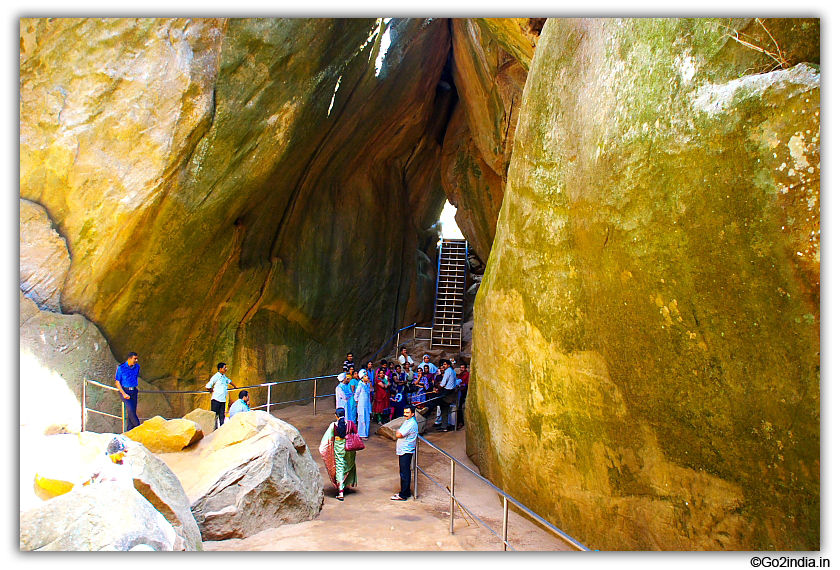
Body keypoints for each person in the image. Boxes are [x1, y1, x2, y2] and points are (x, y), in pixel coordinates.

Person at [319, 408, 358, 501]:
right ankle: (347, 484)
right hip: (349, 447)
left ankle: (341, 491)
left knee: (340, 467)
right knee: (349, 464)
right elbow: (356, 433)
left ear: (336, 416)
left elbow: (327, 438)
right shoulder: (350, 424)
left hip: (338, 447)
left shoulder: (333, 426)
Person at [391, 406, 418, 501]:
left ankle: (404, 494)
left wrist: (398, 432)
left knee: (404, 472)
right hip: (403, 449)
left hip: (406, 450)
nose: (405, 414)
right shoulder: (407, 421)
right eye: (405, 412)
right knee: (404, 471)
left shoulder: (411, 424)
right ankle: (406, 491)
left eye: (407, 412)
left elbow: (399, 434)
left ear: (412, 413)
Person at [115, 352, 142, 431]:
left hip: (134, 391)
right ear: (129, 359)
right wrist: (123, 393)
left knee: (133, 411)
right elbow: (117, 382)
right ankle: (139, 427)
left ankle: (129, 431)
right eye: (135, 358)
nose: (136, 360)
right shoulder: (121, 368)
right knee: (130, 410)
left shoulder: (137, 367)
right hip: (125, 391)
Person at [206, 362, 237, 428]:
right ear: (220, 369)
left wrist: (235, 386)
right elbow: (208, 386)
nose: (226, 369)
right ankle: (214, 429)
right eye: (224, 368)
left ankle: (222, 429)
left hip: (222, 399)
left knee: (222, 415)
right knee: (214, 415)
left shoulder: (224, 376)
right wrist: (212, 390)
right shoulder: (216, 376)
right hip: (216, 399)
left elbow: (229, 381)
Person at [436, 359, 458, 432]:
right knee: (444, 410)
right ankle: (443, 425)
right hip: (451, 392)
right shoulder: (453, 371)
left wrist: (438, 388)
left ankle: (444, 426)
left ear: (448, 365)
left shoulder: (448, 371)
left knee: (444, 409)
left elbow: (443, 384)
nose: (444, 366)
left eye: (445, 364)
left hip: (446, 392)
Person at [355, 370, 372, 438]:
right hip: (362, 404)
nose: (367, 377)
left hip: (367, 404)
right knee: (362, 417)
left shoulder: (367, 384)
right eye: (365, 376)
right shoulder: (360, 385)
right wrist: (357, 401)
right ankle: (361, 434)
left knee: (367, 417)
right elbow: (356, 394)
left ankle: (366, 433)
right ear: (362, 378)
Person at [456, 364, 470, 430]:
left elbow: (466, 383)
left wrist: (461, 385)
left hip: (464, 392)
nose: (461, 369)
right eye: (461, 368)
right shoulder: (460, 375)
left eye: (463, 368)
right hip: (460, 392)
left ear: (465, 368)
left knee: (460, 407)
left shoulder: (467, 374)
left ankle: (461, 422)